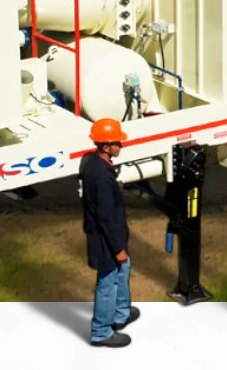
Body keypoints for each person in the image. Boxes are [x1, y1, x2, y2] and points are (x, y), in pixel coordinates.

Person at [81, 118, 136, 348]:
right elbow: (105, 216)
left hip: (109, 235)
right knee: (107, 283)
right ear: (105, 146)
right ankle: (101, 332)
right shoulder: (102, 177)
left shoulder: (92, 162)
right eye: (117, 143)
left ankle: (120, 314)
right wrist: (118, 248)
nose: (121, 146)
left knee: (124, 269)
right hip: (106, 240)